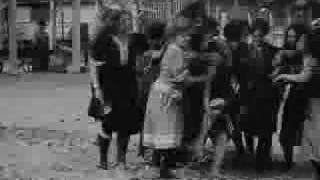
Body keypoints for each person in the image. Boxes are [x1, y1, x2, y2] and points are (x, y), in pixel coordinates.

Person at [90, 10, 142, 171]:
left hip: (129, 87)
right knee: (107, 123)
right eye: (124, 20)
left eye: (129, 20)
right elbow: (94, 66)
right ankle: (103, 159)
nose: (128, 23)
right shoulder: (103, 41)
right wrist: (97, 89)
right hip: (109, 88)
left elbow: (145, 57)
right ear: (115, 22)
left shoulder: (135, 40)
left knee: (125, 125)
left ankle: (121, 160)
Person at [142, 24, 192, 178]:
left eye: (187, 36)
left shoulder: (170, 48)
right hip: (167, 94)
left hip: (160, 92)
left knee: (161, 132)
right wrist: (191, 72)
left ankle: (159, 166)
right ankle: (164, 169)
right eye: (183, 36)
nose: (187, 38)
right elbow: (177, 76)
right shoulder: (176, 51)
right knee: (167, 133)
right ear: (174, 37)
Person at [271, 23, 309, 171]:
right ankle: (288, 162)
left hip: (308, 96)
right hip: (293, 96)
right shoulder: (285, 53)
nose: (291, 39)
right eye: (289, 36)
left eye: (295, 36)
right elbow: (277, 65)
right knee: (286, 133)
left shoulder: (308, 54)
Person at [246, 19, 279, 173]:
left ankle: (261, 161)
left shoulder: (273, 51)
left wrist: (277, 73)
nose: (257, 38)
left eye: (260, 35)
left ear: (264, 35)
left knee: (265, 131)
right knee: (249, 128)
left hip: (268, 96)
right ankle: (250, 156)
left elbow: (281, 67)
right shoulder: (245, 50)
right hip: (250, 96)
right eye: (254, 35)